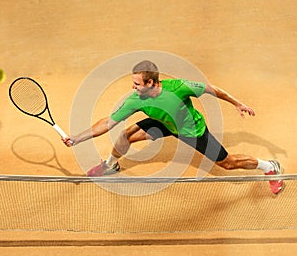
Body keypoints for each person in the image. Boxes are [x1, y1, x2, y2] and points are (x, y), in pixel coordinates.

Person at [63, 60, 283, 194]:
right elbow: (107, 122)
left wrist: (237, 103)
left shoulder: (177, 88)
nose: (133, 87)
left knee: (228, 163)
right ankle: (111, 165)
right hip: (163, 123)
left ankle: (269, 166)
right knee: (125, 134)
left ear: (151, 83)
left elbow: (211, 89)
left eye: (137, 83)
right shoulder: (136, 100)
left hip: (191, 130)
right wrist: (76, 138)